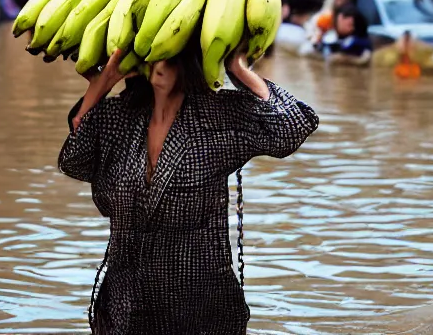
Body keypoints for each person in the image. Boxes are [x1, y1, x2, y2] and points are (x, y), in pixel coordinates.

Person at [58, 42, 319, 334]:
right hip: (125, 304)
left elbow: (292, 127)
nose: (159, 66)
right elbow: (74, 162)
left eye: (169, 58)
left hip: (200, 304)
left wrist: (238, 69)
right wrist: (102, 83)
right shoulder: (118, 117)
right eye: (151, 57)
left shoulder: (217, 115)